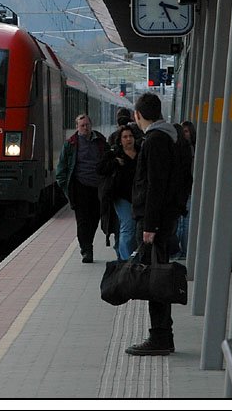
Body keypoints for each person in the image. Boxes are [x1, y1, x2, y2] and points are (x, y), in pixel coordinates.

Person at [126, 92, 183, 356]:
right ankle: (161, 335)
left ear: (138, 115)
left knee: (155, 279)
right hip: (162, 220)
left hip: (153, 224)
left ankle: (160, 337)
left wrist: (150, 225)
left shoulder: (155, 140)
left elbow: (155, 187)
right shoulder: (170, 136)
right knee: (155, 276)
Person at [56, 114, 109, 264]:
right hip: (80, 187)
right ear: (77, 127)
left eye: (87, 125)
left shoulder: (100, 141)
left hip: (97, 187)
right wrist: (68, 190)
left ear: (91, 125)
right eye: (82, 125)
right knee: (82, 221)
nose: (85, 128)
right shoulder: (70, 144)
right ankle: (86, 250)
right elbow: (61, 171)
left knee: (94, 219)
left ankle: (88, 243)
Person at [97, 126, 139, 260]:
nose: (128, 139)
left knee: (131, 229)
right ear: (120, 140)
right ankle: (126, 261)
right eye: (125, 137)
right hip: (121, 197)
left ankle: (123, 257)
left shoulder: (141, 153)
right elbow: (100, 169)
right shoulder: (114, 154)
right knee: (128, 226)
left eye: (130, 136)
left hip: (138, 197)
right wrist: (114, 162)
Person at [173, 120, 196, 260]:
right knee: (183, 222)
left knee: (184, 222)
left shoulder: (188, 149)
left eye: (186, 131)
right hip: (185, 188)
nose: (184, 134)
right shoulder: (188, 148)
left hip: (187, 189)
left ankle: (184, 250)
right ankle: (184, 250)